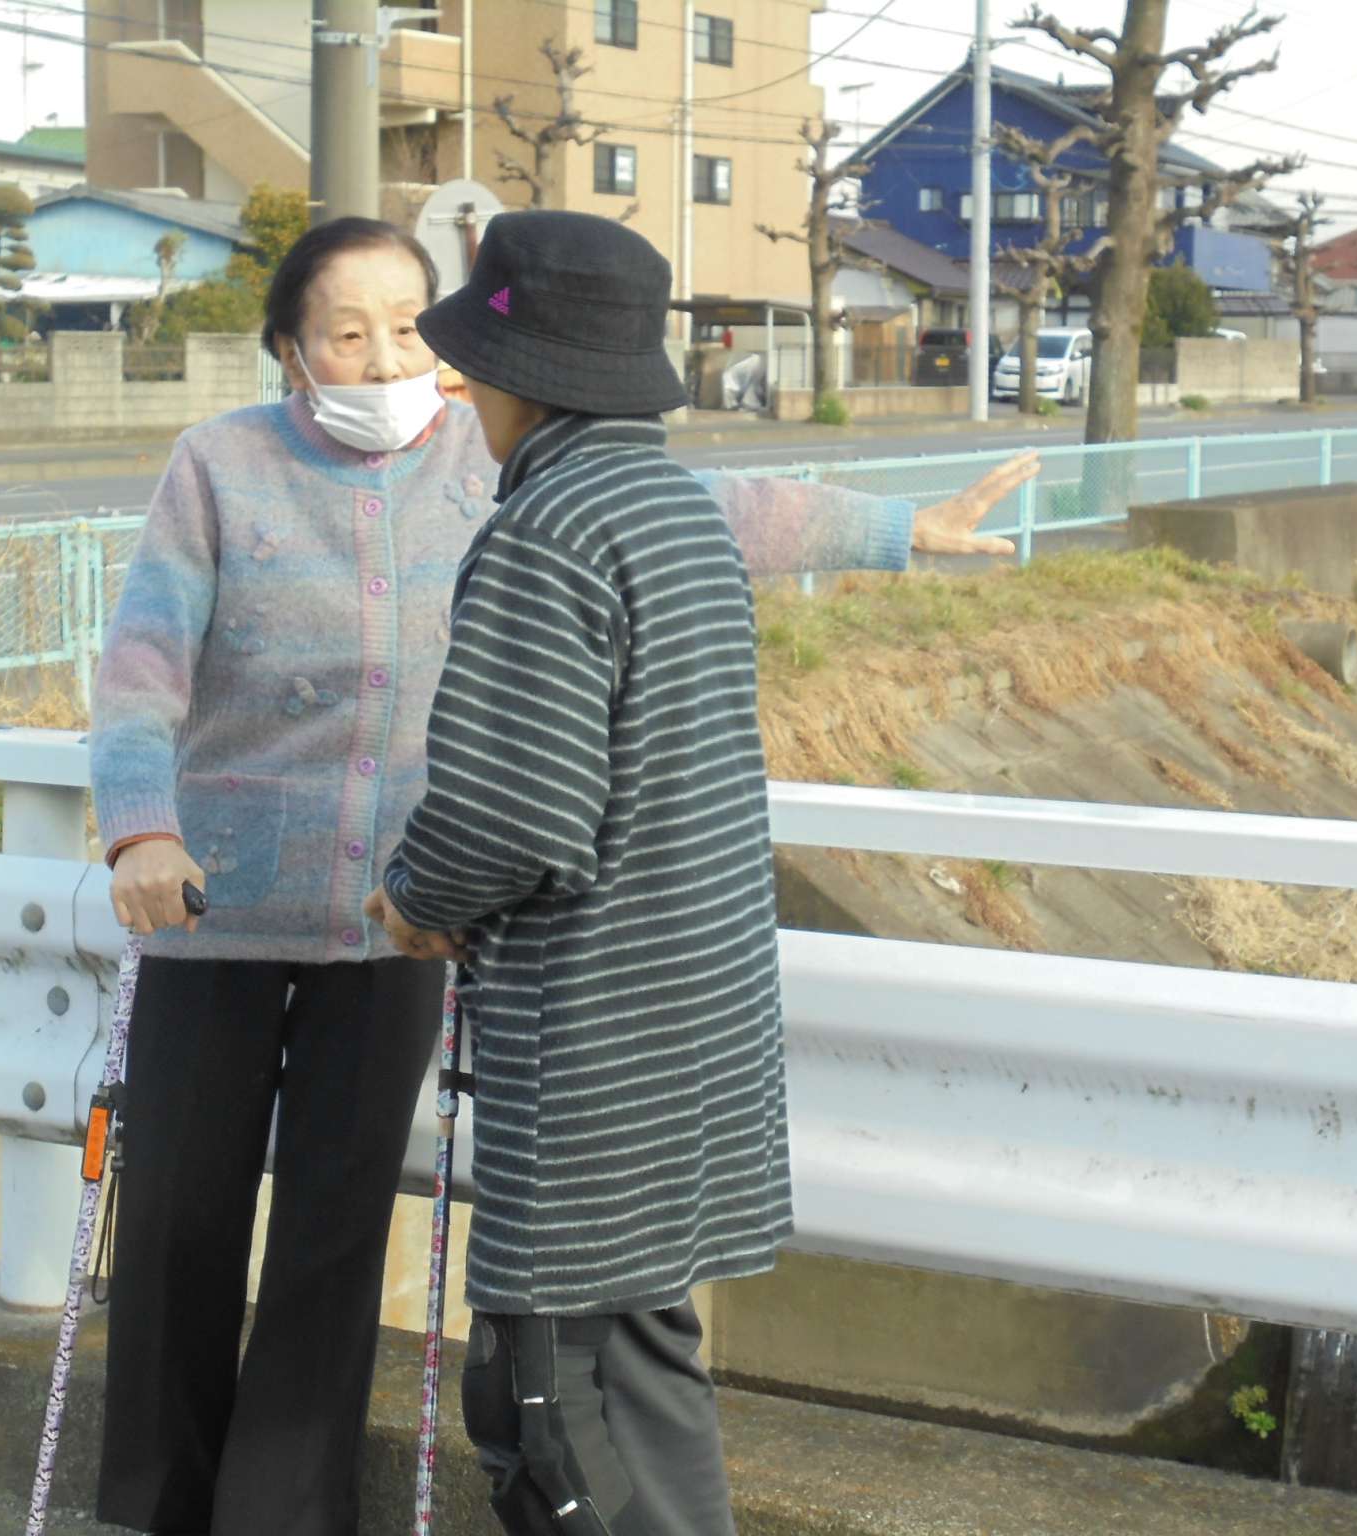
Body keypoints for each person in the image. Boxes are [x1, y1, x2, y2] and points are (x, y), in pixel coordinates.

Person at [88, 214, 1033, 1536]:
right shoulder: (220, 463)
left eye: (406, 329)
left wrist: (897, 527)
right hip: (216, 906)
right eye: (346, 334)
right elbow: (142, 667)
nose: (383, 361)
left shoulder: (495, 461)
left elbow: (709, 509)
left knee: (332, 1247)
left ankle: (282, 1519)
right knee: (175, 1231)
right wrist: (141, 827)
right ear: (290, 350)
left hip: (403, 926)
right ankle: (152, 1511)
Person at [367, 210, 821, 1534]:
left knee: (565, 1418)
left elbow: (517, 809)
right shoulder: (672, 510)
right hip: (694, 1013)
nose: (462, 390)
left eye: (474, 364)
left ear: (529, 377)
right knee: (641, 1369)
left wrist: (416, 900)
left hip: (595, 1032)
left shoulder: (549, 527)